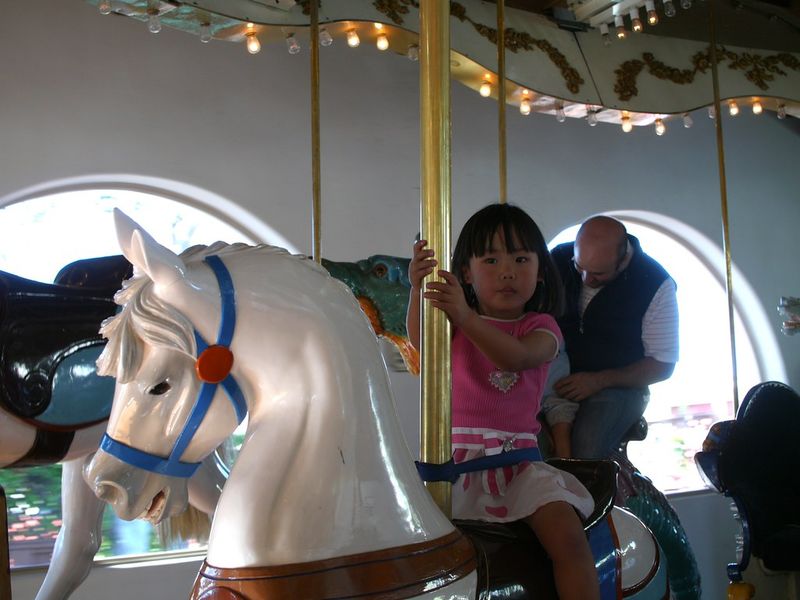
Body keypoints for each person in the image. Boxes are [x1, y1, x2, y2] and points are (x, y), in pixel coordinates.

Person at [407, 203, 599, 600]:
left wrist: (464, 316)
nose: (507, 271)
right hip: (455, 467)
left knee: (568, 539)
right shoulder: (454, 326)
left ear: (541, 271)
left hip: (518, 468)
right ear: (466, 272)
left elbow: (515, 357)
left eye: (521, 258)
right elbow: (421, 341)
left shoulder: (540, 329)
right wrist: (417, 289)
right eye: (491, 259)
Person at [548, 215, 678, 460]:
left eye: (598, 273)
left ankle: (591, 495)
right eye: (579, 267)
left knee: (587, 444)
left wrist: (598, 380)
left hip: (621, 386)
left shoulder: (654, 282)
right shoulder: (557, 259)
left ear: (623, 259)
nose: (586, 279)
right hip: (556, 376)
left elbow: (663, 365)